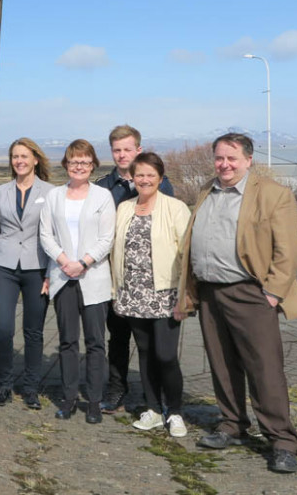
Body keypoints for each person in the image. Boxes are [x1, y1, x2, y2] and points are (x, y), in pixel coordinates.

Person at [177, 133, 297, 474]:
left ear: (249, 160)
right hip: (210, 292)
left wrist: (273, 293)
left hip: (251, 294)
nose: (225, 164)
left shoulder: (273, 194)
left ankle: (282, 440)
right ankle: (232, 424)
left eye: (232, 158)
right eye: (220, 158)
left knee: (265, 369)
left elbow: (289, 249)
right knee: (221, 364)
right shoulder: (207, 190)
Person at [110, 152, 190, 438]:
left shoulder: (176, 208)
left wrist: (185, 296)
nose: (144, 180)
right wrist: (116, 290)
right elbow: (115, 251)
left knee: (166, 355)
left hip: (166, 293)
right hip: (133, 293)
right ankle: (154, 409)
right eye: (139, 175)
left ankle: (176, 411)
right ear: (132, 177)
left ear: (160, 177)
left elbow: (186, 254)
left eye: (150, 175)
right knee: (144, 353)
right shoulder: (124, 208)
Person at [95, 125, 175, 413]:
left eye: (127, 149)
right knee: (117, 338)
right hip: (116, 278)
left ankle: (156, 396)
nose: (122, 155)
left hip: (152, 280)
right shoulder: (103, 187)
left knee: (153, 343)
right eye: (117, 150)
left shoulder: (160, 184)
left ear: (138, 150)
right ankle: (117, 389)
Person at [39, 139, 115, 424]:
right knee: (68, 341)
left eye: (84, 162)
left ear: (92, 164)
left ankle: (94, 401)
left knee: (96, 342)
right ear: (66, 165)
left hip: (92, 277)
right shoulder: (55, 197)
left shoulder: (102, 197)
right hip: (62, 277)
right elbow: (46, 234)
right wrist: (63, 262)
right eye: (74, 162)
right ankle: (69, 397)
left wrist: (83, 262)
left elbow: (107, 238)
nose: (79, 166)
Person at [0, 137, 54, 410]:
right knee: (2, 329)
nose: (19, 161)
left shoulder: (50, 192)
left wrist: (51, 273)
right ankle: (5, 384)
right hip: (4, 267)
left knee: (33, 331)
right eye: (15, 156)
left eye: (24, 156)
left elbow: (54, 236)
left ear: (35, 159)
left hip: (37, 267)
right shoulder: (1, 193)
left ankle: (31, 388)